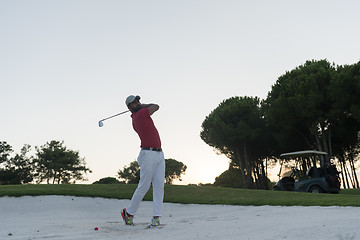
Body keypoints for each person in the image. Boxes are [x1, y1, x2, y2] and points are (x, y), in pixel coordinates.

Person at [121, 95, 165, 227]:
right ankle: (128, 213)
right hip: (147, 154)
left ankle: (156, 218)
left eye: (138, 101)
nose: (138, 103)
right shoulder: (139, 115)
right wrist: (144, 106)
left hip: (159, 153)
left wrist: (141, 105)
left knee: (159, 187)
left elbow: (154, 106)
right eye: (135, 102)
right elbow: (156, 106)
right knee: (144, 186)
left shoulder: (140, 112)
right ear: (129, 107)